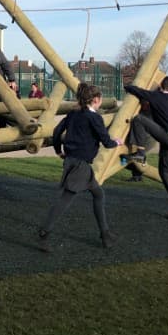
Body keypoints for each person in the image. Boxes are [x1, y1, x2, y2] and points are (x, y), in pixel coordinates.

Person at [38, 82, 122, 252]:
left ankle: (105, 234)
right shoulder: (94, 118)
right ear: (96, 100)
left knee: (98, 194)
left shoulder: (73, 114)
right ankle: (44, 232)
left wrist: (58, 150)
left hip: (75, 162)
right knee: (65, 199)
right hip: (80, 164)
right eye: (100, 100)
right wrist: (117, 142)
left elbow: (56, 132)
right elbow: (106, 141)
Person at [123, 76, 168, 219]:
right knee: (164, 171)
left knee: (138, 119)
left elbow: (135, 90)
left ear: (161, 86)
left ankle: (140, 152)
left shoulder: (156, 96)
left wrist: (127, 86)